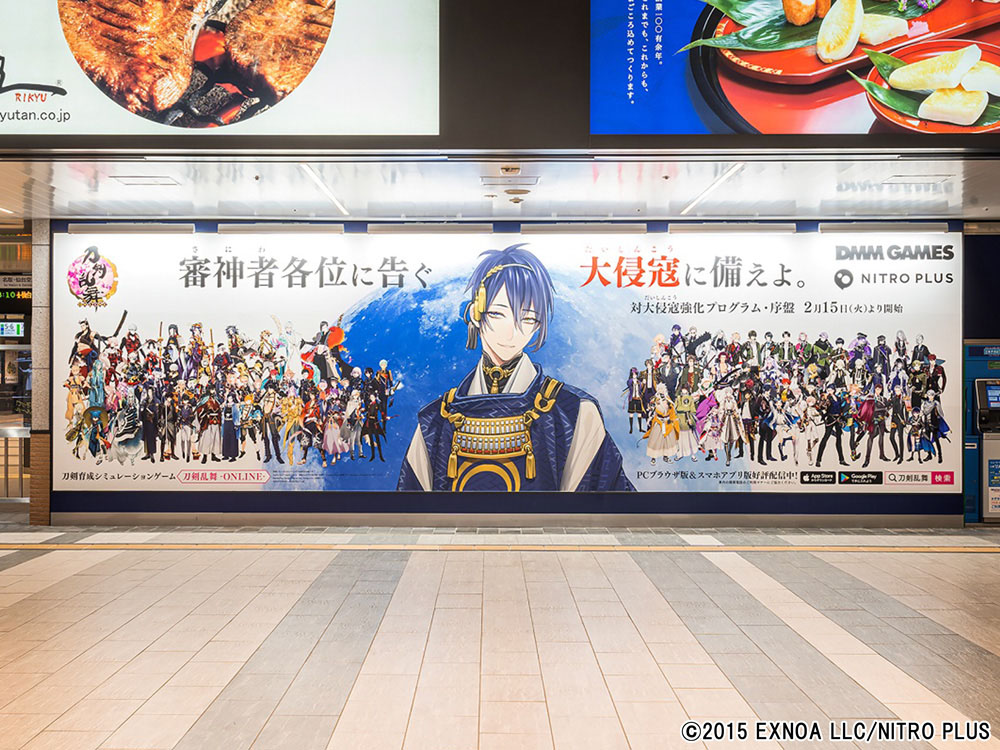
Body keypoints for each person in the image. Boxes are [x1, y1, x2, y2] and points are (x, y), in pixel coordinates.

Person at [398, 244, 633, 492]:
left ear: (537, 325)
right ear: (476, 313)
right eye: (498, 314)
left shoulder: (575, 412)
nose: (512, 332)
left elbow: (594, 508)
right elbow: (408, 508)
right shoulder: (435, 421)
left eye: (528, 318)